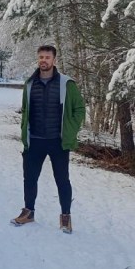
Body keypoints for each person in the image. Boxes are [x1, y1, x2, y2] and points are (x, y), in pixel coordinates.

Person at [12, 44, 86, 233]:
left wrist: (70, 130)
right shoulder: (30, 84)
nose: (43, 60)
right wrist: (24, 132)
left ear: (54, 60)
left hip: (58, 141)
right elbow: (25, 111)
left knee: (62, 179)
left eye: (47, 57)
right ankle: (28, 212)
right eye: (41, 57)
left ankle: (65, 217)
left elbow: (79, 109)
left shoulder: (66, 84)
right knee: (29, 178)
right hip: (34, 140)